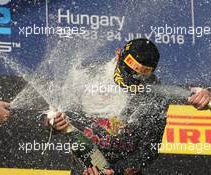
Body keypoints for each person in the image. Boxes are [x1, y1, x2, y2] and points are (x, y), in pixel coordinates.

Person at [45, 39, 171, 175]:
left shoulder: (156, 95)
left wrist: (114, 172)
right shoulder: (89, 74)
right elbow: (51, 118)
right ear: (118, 54)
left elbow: (149, 150)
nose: (132, 79)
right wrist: (53, 122)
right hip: (84, 170)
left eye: (139, 76)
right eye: (128, 71)